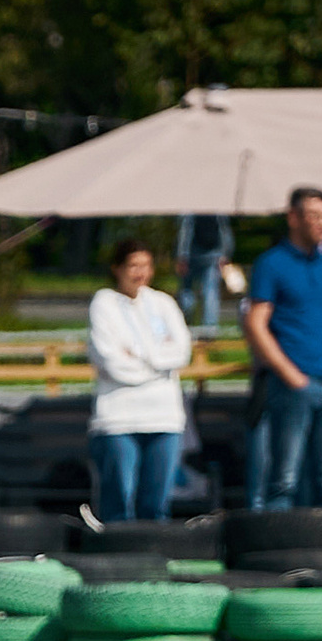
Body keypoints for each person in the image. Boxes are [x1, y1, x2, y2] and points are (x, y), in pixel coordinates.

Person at [240, 187, 322, 512]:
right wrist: (288, 373)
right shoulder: (272, 263)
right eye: (315, 216)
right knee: (284, 480)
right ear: (294, 218)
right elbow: (255, 323)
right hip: (294, 384)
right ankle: (280, 554)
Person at [85, 237, 194, 522]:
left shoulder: (163, 303)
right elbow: (111, 362)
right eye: (133, 265)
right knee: (119, 500)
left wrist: (139, 355)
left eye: (146, 265)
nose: (140, 273)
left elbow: (181, 352)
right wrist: (158, 363)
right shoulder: (104, 303)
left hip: (164, 416)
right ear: (117, 268)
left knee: (156, 503)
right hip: (119, 418)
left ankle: (155, 557)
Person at [175, 212, 234, 329]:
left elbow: (185, 230)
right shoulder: (217, 208)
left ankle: (185, 324)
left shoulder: (190, 210)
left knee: (187, 291)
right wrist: (225, 253)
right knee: (211, 292)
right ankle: (209, 329)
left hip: (191, 256)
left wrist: (181, 255)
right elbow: (224, 229)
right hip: (213, 255)